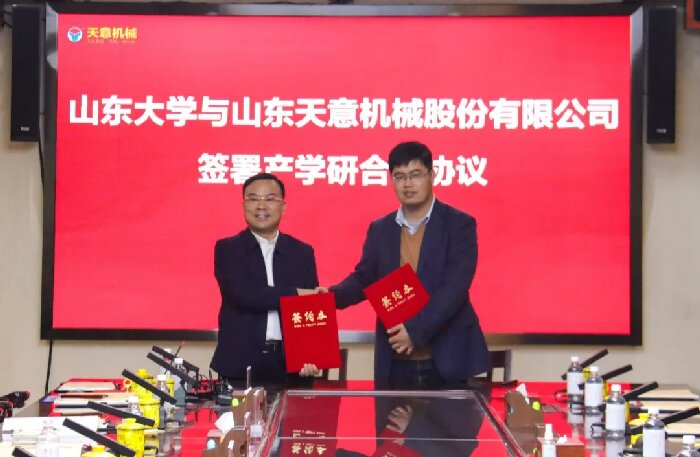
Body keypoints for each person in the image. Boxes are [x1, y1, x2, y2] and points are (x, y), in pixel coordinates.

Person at [327, 141, 491, 389]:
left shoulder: (459, 224)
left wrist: (414, 331)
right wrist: (329, 297)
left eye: (415, 174)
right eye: (399, 176)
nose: (407, 184)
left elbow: (454, 288)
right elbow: (365, 278)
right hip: (396, 360)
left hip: (448, 359)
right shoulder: (381, 229)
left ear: (432, 175)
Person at [210, 173, 319, 387]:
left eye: (270, 199)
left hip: (291, 367)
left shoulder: (302, 252)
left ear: (283, 207)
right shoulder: (228, 249)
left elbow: (310, 308)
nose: (261, 206)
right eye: (253, 199)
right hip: (240, 365)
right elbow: (245, 294)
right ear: (243, 205)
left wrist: (310, 355)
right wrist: (296, 293)